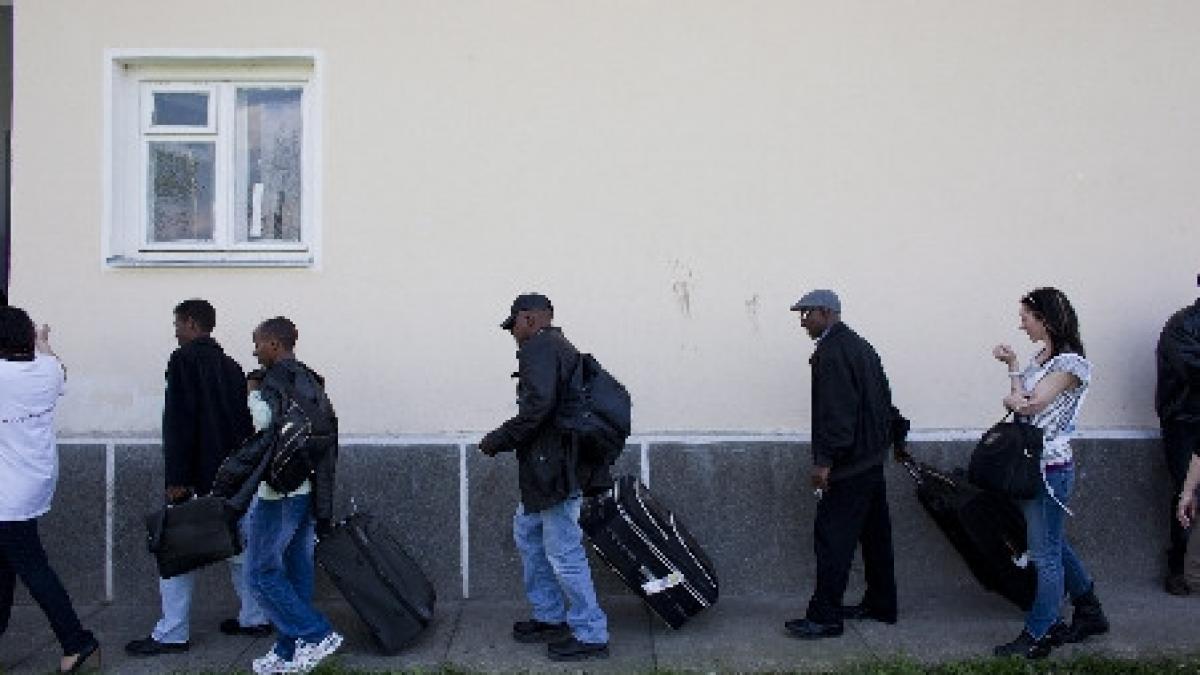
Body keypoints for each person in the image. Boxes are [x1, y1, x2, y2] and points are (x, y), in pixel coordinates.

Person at [126, 299, 269, 657]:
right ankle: (254, 617)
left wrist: (177, 477)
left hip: (195, 475)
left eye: (177, 324)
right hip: (235, 477)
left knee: (175, 554)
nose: (175, 331)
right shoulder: (232, 367)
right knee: (239, 550)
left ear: (191, 323)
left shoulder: (183, 360)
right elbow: (244, 427)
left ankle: (172, 632)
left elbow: (179, 420)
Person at [479, 293, 610, 662]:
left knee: (564, 551)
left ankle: (590, 632)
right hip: (549, 468)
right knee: (528, 533)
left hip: (555, 471)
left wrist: (497, 440)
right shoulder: (559, 347)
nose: (513, 334)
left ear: (530, 319)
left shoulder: (540, 347)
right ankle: (550, 615)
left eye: (515, 326)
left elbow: (538, 407)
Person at [991, 287, 1108, 659]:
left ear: (1046, 319)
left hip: (1050, 468)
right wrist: (1012, 367)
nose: (1021, 324)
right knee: (1052, 543)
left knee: (1045, 555)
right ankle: (1089, 611)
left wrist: (1017, 399)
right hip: (1032, 463)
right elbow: (1021, 397)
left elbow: (1031, 403)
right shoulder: (1041, 357)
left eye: (1026, 317)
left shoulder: (1072, 364)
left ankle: (1040, 631)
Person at [783, 289, 899, 640]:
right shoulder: (860, 346)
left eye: (807, 315)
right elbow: (883, 398)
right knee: (875, 537)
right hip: (870, 459)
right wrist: (894, 442)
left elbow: (837, 412)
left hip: (849, 465)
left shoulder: (832, 352)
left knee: (832, 539)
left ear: (825, 312)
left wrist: (825, 462)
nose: (803, 322)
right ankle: (881, 603)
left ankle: (825, 617)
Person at [237, 316, 342, 675]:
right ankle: (288, 649)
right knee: (297, 569)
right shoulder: (311, 379)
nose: (254, 350)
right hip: (305, 486)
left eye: (258, 343)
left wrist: (251, 394)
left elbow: (264, 427)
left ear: (274, 344)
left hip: (277, 490)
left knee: (260, 572)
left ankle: (316, 635)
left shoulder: (273, 381)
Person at [0, 307, 101, 672]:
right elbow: (57, 367)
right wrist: (43, 342)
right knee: (7, 566)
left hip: (7, 492)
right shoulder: (47, 368)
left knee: (31, 566)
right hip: (34, 480)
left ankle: (76, 640)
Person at [1156, 275, 1200, 595]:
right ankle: (1178, 568)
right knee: (1187, 491)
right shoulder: (1182, 326)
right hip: (1186, 420)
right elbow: (1193, 371)